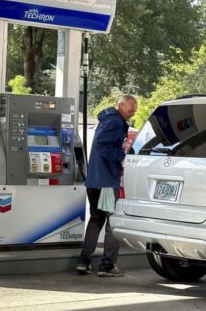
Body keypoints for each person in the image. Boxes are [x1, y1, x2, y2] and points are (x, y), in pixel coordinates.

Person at [77, 94, 137, 277]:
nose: (133, 112)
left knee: (96, 220)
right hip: (106, 183)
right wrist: (122, 156)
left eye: (135, 109)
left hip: (94, 181)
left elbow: (100, 145)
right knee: (113, 223)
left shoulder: (106, 119)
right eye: (130, 109)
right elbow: (102, 146)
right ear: (120, 105)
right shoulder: (115, 122)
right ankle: (107, 266)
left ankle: (83, 262)